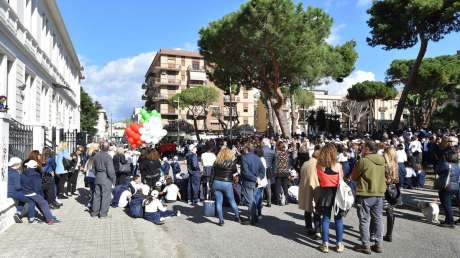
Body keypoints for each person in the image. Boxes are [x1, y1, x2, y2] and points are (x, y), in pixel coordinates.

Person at [352, 141, 387, 254]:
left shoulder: (363, 161)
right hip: (379, 192)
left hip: (366, 193)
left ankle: (365, 245)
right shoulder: (382, 159)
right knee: (378, 219)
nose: (361, 150)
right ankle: (379, 244)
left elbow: (354, 176)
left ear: (367, 149)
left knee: (364, 219)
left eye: (363, 148)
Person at [316, 144, 345, 253]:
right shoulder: (338, 166)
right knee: (338, 219)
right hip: (337, 193)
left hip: (325, 192)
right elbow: (341, 181)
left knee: (326, 218)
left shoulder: (319, 166)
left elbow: (319, 179)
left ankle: (325, 244)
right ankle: (339, 244)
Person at [21, 159, 58, 224]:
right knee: (44, 203)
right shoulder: (36, 174)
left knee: (40, 202)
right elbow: (37, 187)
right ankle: (49, 219)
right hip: (31, 193)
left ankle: (46, 216)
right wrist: (40, 195)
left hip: (23, 192)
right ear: (35, 167)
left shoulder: (23, 173)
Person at [211, 147, 241, 226]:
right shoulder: (232, 163)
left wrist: (210, 185)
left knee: (218, 202)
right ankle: (237, 217)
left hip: (216, 182)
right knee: (232, 200)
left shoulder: (216, 162)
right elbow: (235, 172)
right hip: (227, 183)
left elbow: (212, 174)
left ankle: (221, 221)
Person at [298, 145, 321, 239]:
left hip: (305, 187)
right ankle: (317, 230)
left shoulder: (305, 163)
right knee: (317, 210)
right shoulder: (319, 164)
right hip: (316, 187)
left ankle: (309, 227)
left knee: (308, 209)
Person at [435, 144, 460, 228]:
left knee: (447, 204)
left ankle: (449, 221)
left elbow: (437, 170)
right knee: (454, 203)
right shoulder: (457, 165)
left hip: (446, 186)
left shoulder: (445, 164)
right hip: (456, 186)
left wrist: (441, 160)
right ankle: (450, 220)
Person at [90, 142, 116, 219]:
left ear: (101, 148)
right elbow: (110, 171)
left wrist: (96, 175)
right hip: (106, 177)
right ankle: (103, 214)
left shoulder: (96, 155)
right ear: (108, 148)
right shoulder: (108, 157)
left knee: (96, 195)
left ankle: (94, 212)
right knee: (106, 196)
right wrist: (113, 179)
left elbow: (93, 168)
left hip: (98, 176)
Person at [241, 143, 265, 225]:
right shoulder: (258, 158)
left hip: (249, 182)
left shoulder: (244, 158)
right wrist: (258, 178)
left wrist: (256, 178)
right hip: (255, 182)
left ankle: (252, 219)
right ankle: (254, 217)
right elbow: (263, 171)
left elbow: (245, 172)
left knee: (250, 201)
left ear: (247, 149)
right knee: (253, 200)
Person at [7, 157, 36, 223]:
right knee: (31, 200)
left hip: (8, 192)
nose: (20, 165)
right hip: (14, 192)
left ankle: (18, 213)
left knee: (22, 199)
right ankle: (31, 217)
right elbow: (17, 187)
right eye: (20, 164)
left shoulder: (7, 172)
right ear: (16, 165)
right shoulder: (16, 174)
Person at [382, 147, 399, 242]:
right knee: (390, 211)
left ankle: (375, 233)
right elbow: (397, 179)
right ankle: (389, 234)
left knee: (377, 211)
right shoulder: (396, 165)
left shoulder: (384, 165)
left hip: (384, 189)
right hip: (393, 189)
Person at [274, 142, 290, 206]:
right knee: (285, 187)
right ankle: (286, 200)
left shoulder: (277, 154)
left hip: (279, 172)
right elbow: (288, 163)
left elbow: (275, 163)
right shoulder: (286, 154)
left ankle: (278, 200)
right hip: (286, 172)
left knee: (278, 186)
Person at [262, 138, 276, 207]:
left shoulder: (261, 150)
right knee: (268, 186)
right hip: (269, 168)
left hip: (262, 168)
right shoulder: (272, 151)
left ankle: (260, 201)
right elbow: (274, 162)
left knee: (261, 185)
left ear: (264, 143)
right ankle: (269, 202)